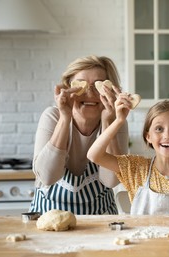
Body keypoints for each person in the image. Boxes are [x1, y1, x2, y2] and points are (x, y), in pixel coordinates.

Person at [29, 55, 129, 214]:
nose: (89, 93)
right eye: (81, 85)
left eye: (98, 86)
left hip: (101, 217)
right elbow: (47, 176)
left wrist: (108, 123)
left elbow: (111, 181)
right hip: (49, 215)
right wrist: (64, 117)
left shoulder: (117, 122)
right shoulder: (52, 117)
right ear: (67, 89)